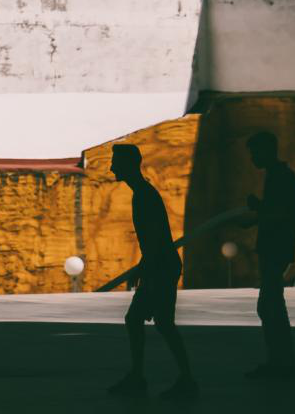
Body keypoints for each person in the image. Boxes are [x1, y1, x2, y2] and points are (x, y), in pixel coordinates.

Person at [106, 143, 198, 400]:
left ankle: (182, 379)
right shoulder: (143, 193)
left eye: (115, 162)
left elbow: (155, 238)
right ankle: (147, 377)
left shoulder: (144, 196)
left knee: (158, 323)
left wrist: (146, 270)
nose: (112, 167)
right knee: (144, 320)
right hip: (160, 265)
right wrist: (144, 267)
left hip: (161, 268)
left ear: (128, 164)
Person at [244, 131, 295, 380]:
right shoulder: (279, 176)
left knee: (271, 306)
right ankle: (280, 362)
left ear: (267, 151)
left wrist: (258, 207)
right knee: (271, 305)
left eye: (255, 152)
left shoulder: (280, 178)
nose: (253, 158)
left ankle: (282, 365)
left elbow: (280, 214)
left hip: (275, 249)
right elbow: (275, 213)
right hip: (275, 248)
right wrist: (255, 218)